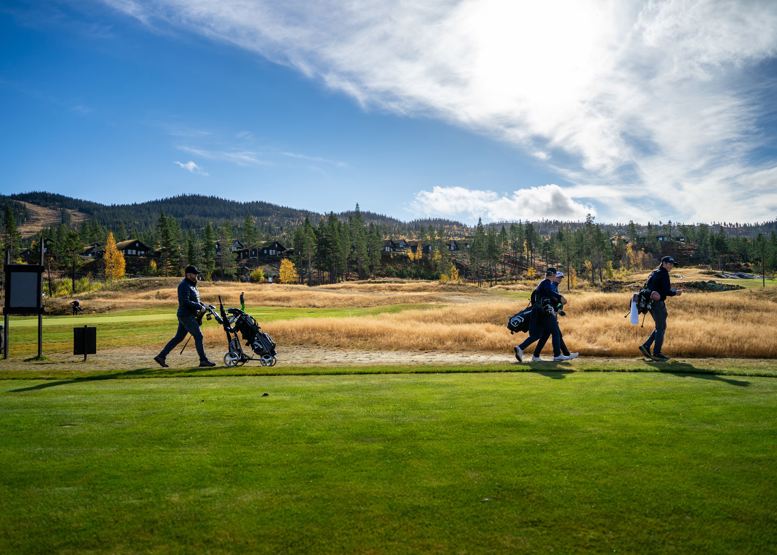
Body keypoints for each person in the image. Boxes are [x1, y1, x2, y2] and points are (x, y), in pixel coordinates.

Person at [154, 265, 216, 368]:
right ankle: (203, 360)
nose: (196, 275)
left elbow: (196, 300)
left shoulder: (192, 285)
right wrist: (200, 306)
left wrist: (205, 305)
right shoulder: (184, 285)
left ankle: (161, 356)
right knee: (198, 336)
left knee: (178, 338)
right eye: (194, 274)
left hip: (188, 315)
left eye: (196, 274)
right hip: (186, 315)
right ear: (188, 274)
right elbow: (185, 301)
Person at [514, 268, 571, 362]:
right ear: (553, 275)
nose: (556, 277)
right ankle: (557, 355)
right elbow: (549, 293)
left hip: (538, 312)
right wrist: (559, 297)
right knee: (555, 332)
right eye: (556, 275)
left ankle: (526, 351)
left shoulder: (543, 283)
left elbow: (545, 296)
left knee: (541, 334)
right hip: (544, 312)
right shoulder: (546, 282)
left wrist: (558, 308)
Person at [639, 256, 682, 361]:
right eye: (669, 264)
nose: (671, 266)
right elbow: (666, 291)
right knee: (661, 328)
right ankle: (656, 353)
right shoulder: (663, 273)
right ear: (663, 263)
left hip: (650, 304)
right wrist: (676, 292)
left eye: (672, 264)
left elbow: (652, 288)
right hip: (657, 304)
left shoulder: (654, 272)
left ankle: (646, 346)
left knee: (661, 326)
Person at [531, 271, 579, 361]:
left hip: (551, 313)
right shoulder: (552, 286)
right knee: (556, 334)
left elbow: (556, 302)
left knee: (547, 335)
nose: (560, 279)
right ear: (554, 277)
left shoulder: (554, 286)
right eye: (559, 277)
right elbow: (552, 300)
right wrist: (558, 307)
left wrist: (559, 308)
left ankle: (536, 355)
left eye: (561, 278)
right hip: (549, 314)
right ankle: (561, 355)